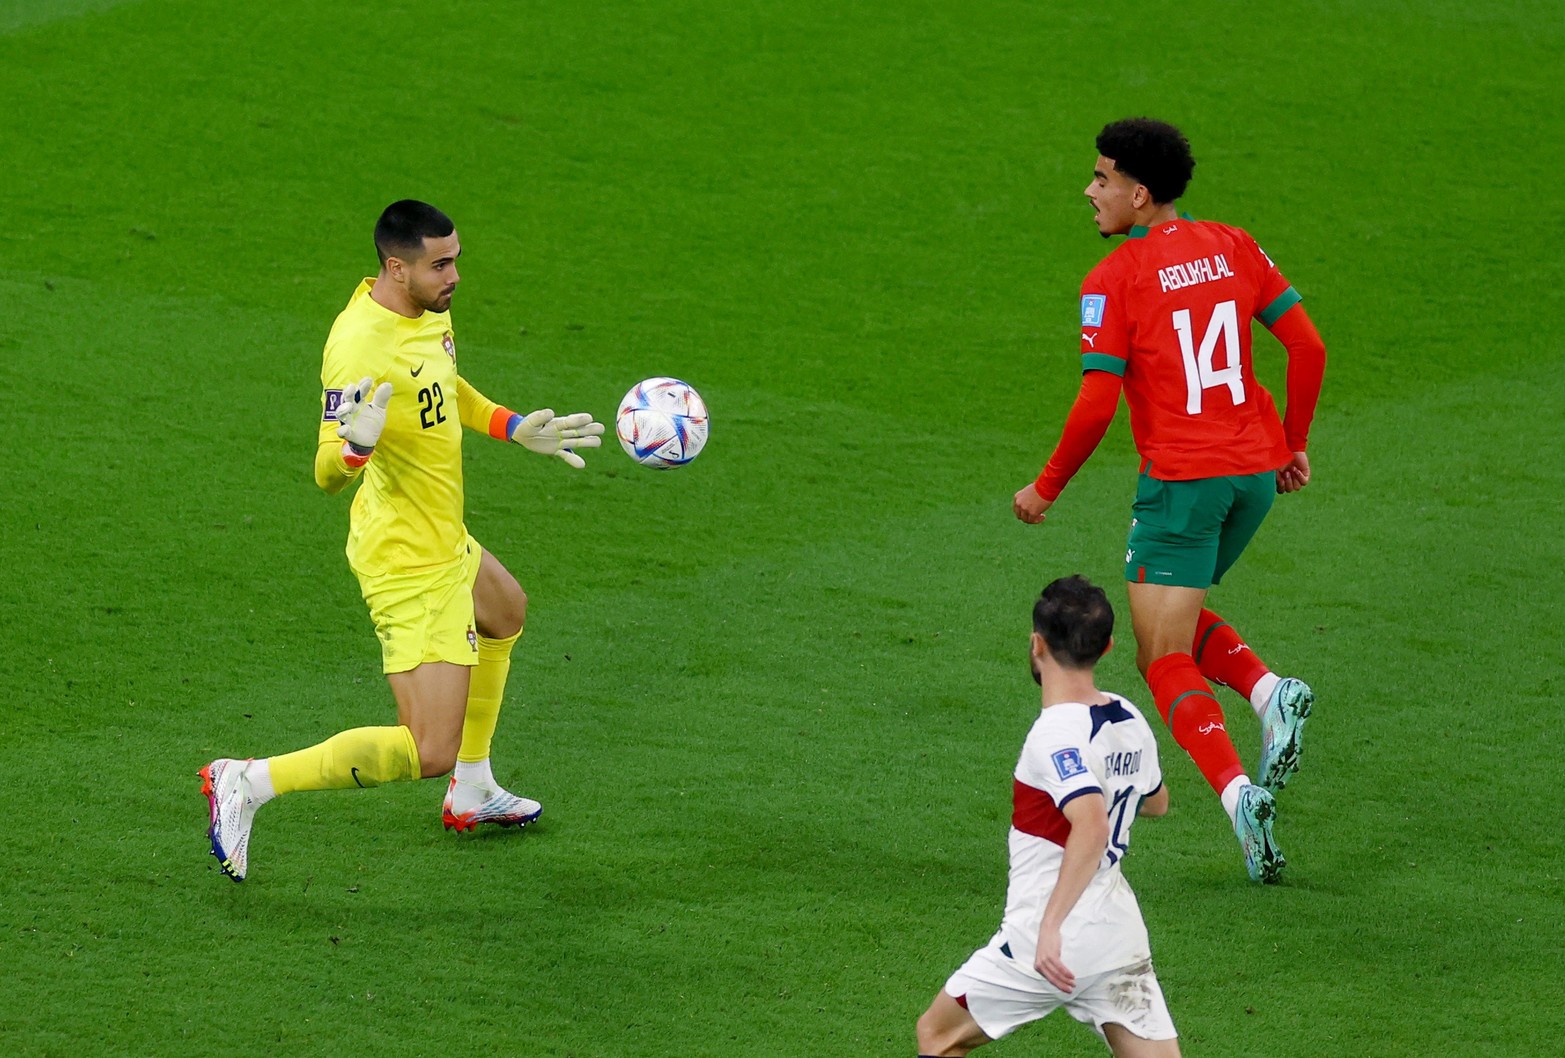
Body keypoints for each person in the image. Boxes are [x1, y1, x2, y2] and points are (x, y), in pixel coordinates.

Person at [199, 200, 604, 882]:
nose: (454, 277)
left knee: (505, 610)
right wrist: (354, 448)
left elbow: (443, 383)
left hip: (439, 535)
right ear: (396, 266)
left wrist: (509, 426)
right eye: (439, 265)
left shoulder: (428, 309)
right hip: (408, 561)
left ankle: (474, 790)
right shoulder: (358, 346)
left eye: (455, 261)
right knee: (427, 747)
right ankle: (249, 780)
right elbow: (326, 473)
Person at [1012, 118, 1327, 883]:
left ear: (1138, 193)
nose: (1090, 192)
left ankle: (1244, 764)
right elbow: (1308, 346)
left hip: (1182, 484)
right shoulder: (1235, 244)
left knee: (1160, 659)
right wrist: (1291, 442)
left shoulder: (1113, 279)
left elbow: (1096, 404)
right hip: (1252, 478)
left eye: (1100, 179)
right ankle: (1260, 705)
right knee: (1172, 620)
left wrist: (1044, 486)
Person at [916, 575, 1177, 1058]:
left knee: (937, 1034)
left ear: (1037, 644)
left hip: (1046, 941)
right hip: (1117, 938)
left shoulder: (1053, 733)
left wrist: (1052, 927)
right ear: (1109, 647)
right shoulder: (1129, 716)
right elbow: (1156, 801)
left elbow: (1093, 824)